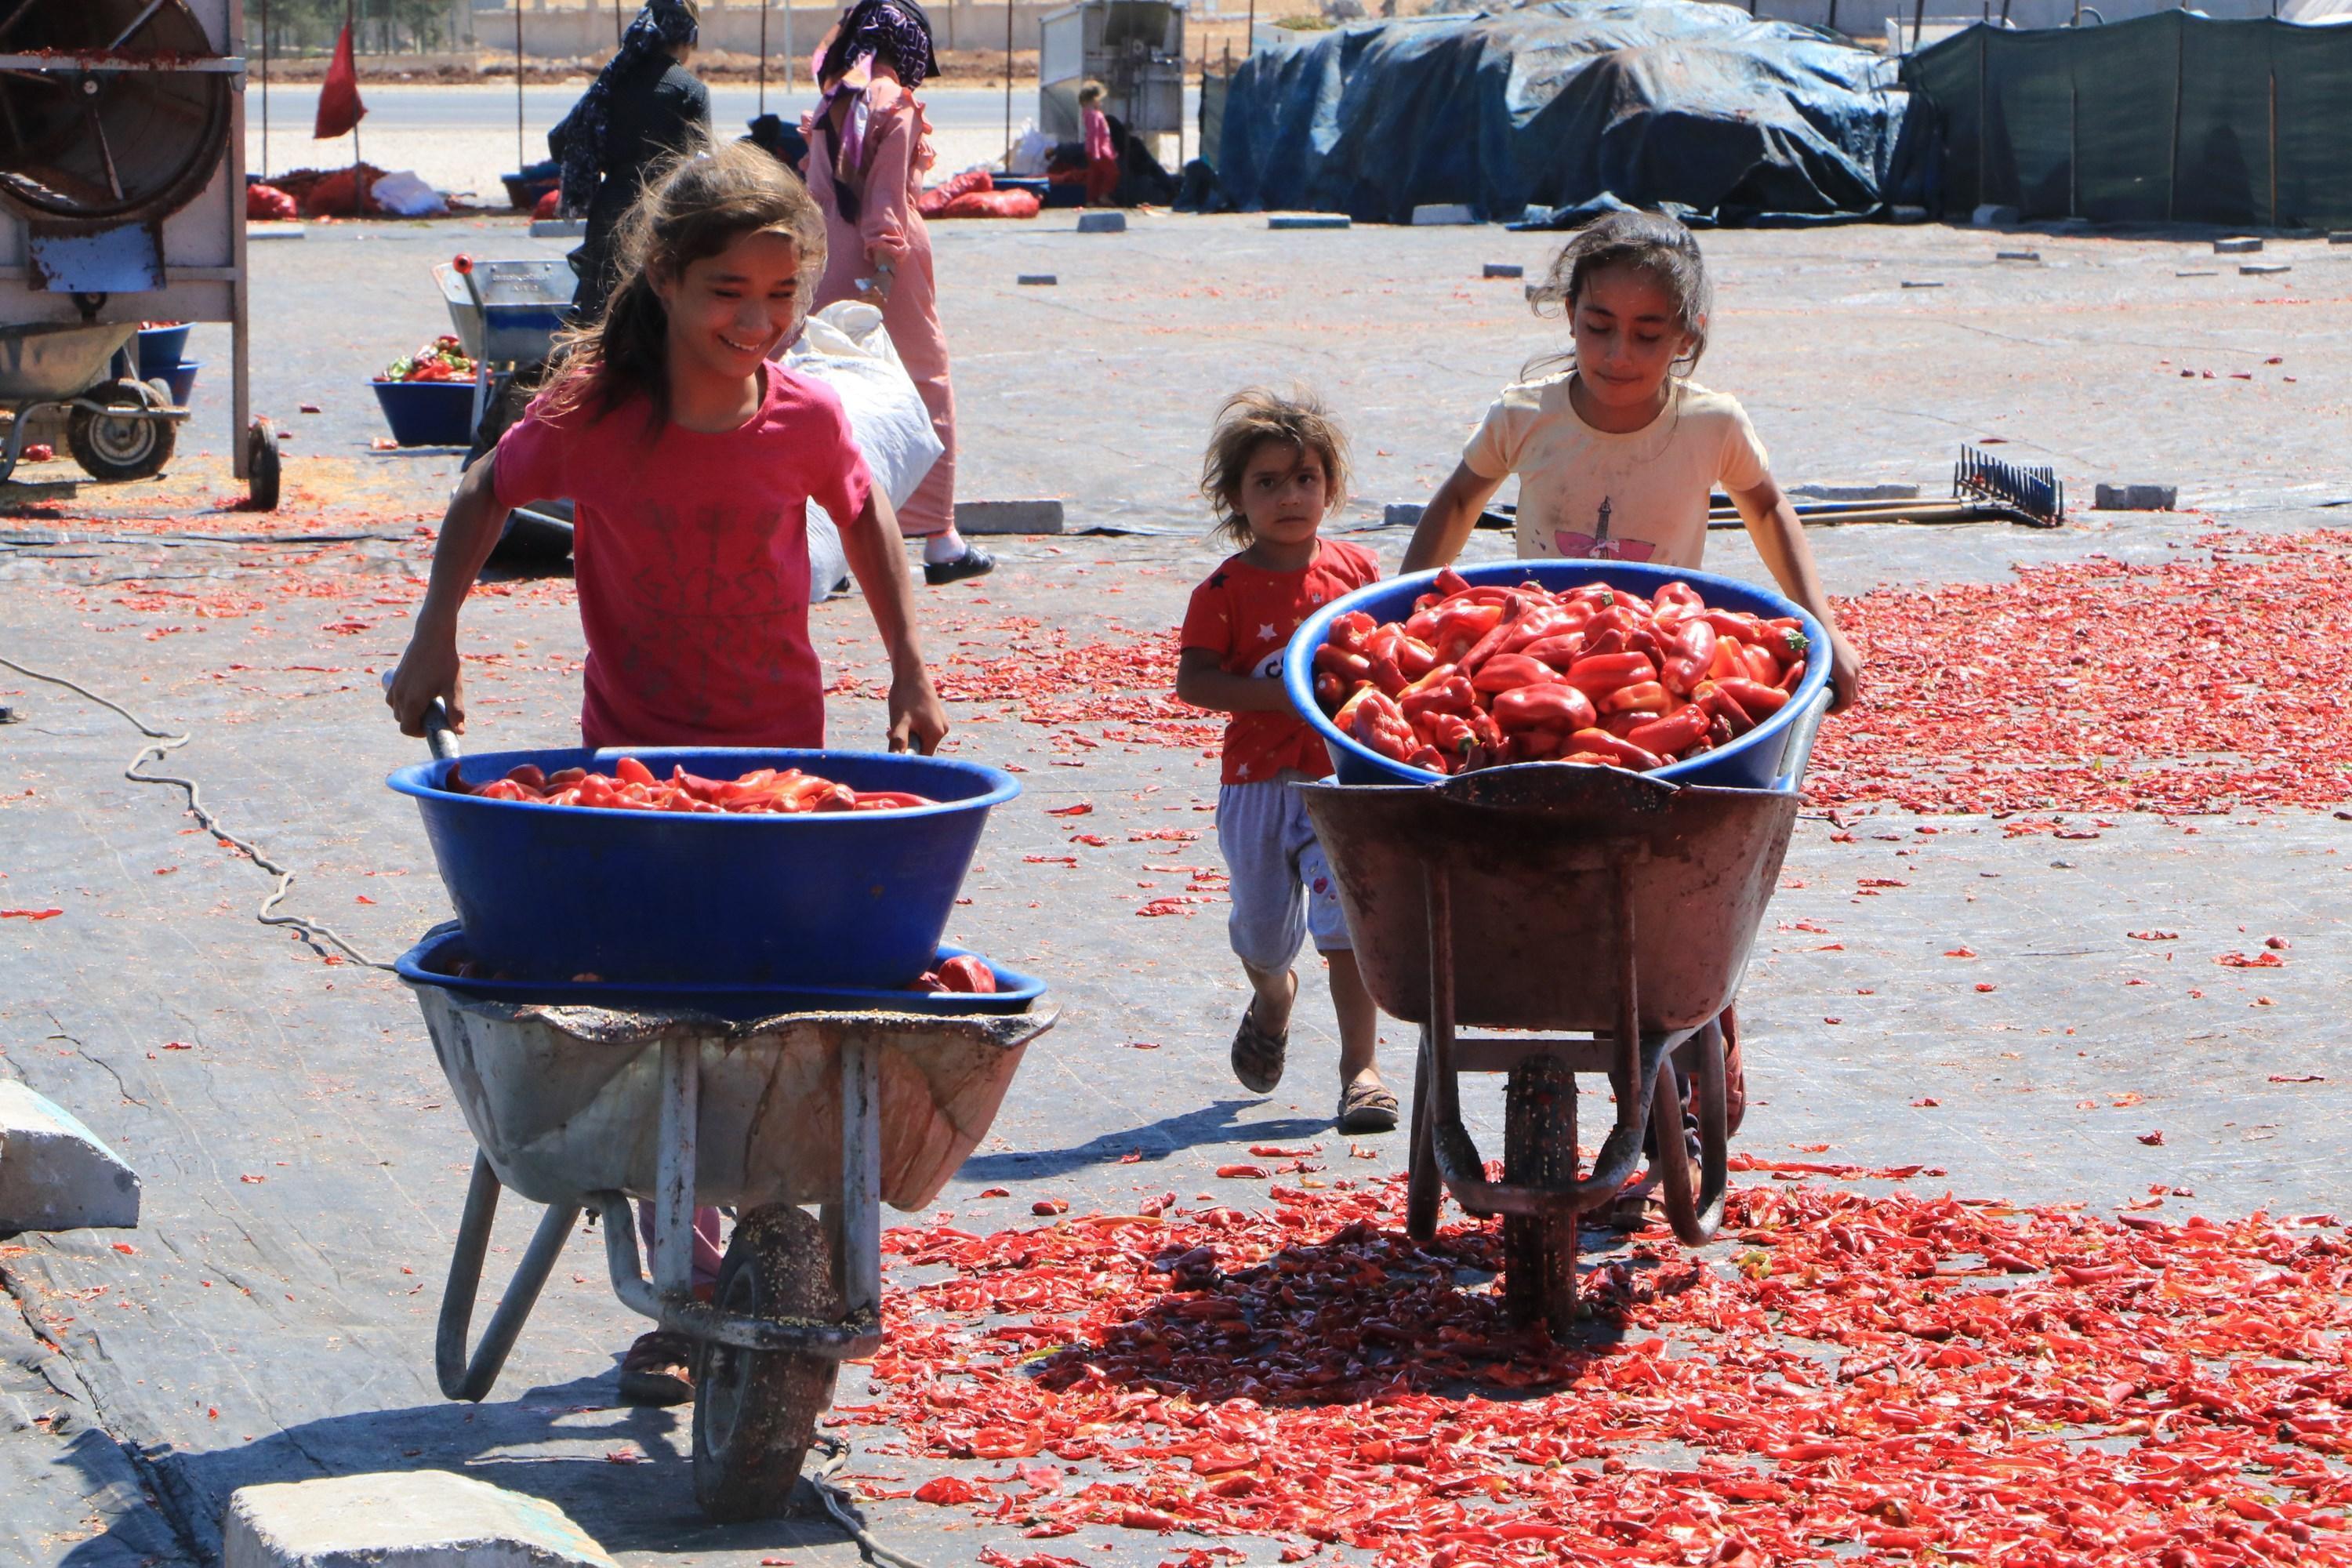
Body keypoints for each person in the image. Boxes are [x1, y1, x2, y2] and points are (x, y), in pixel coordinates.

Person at [386, 140, 950, 1405]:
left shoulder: (802, 414)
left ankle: (763, 1248)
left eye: (777, 297)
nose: (755, 322)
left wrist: (909, 665)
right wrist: (437, 632)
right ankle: (688, 1287)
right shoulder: (596, 416)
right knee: (665, 1022)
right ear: (662, 277)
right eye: (725, 295)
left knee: (772, 1015)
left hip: (778, 767)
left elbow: (862, 516)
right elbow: (485, 492)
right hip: (634, 764)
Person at [1399, 209, 1864, 1209]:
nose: (1620, 351)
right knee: (1544, 850)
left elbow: (1769, 508)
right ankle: (1655, 1010)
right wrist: (1406, 614)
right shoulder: (1526, 412)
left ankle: (1698, 1022)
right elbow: (1455, 502)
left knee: (1673, 886)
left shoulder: (1710, 424)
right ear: (1567, 317)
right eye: (1599, 323)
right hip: (1535, 658)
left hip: (1661, 672)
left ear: (1686, 336)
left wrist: (1823, 629)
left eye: (1649, 333)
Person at [1176, 390, 1396, 1134]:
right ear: (1236, 498)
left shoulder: (1359, 571)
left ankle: (1359, 1072)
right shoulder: (1224, 592)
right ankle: (1273, 996)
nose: (1290, 496)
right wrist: (1284, 698)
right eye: (1266, 483)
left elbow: (1385, 656)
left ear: (1329, 486)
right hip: (1258, 785)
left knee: (1348, 928)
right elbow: (1194, 681)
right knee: (1265, 933)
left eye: (1305, 478)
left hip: (1342, 780)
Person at [804, 0, 993, 586]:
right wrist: (882, 274)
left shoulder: (832, 100)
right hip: (884, 265)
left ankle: (833, 547)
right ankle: (941, 539)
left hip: (824, 258)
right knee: (924, 387)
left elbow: (812, 194)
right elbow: (886, 201)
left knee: (838, 394)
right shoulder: (896, 103)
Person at [550, 0, 712, 325]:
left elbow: (561, 141)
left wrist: (597, 160)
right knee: (656, 320)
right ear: (687, 37)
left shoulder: (613, 81)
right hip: (665, 215)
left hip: (610, 211)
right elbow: (703, 166)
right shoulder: (690, 90)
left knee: (600, 319)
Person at [1078, 81, 1119, 208]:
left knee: (1095, 174)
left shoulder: (1087, 114)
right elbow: (1094, 134)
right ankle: (1103, 195)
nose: (1100, 103)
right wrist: (1096, 151)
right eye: (1099, 100)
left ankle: (1091, 199)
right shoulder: (1095, 115)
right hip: (1100, 151)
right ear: (1093, 100)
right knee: (1113, 172)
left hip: (1092, 150)